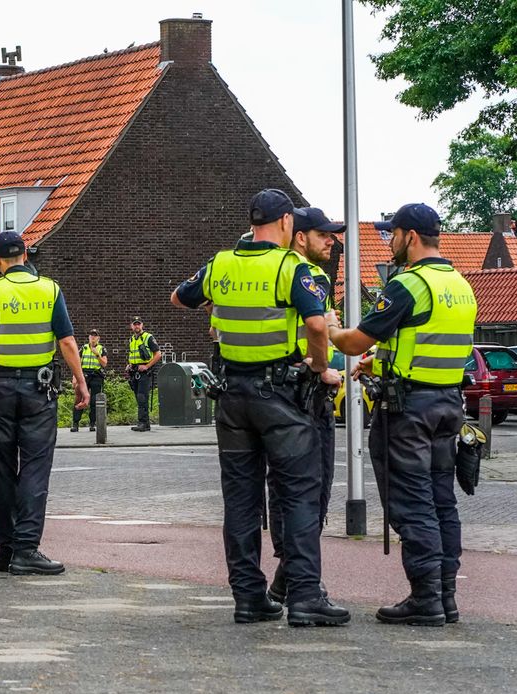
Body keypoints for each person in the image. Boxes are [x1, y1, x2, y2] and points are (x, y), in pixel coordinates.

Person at [171, 188, 349, 627]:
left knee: (241, 500)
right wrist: (321, 366)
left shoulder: (220, 264)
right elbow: (314, 324)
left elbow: (179, 298)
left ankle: (249, 597)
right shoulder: (293, 268)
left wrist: (221, 304)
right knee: (300, 496)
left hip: (232, 399)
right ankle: (305, 598)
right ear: (288, 222)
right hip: (283, 398)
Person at [328, 202, 477, 626]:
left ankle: (425, 599)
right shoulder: (459, 284)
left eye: (392, 234)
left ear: (410, 236)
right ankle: (446, 598)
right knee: (441, 501)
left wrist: (330, 326)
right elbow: (428, 340)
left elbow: (355, 341)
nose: (389, 241)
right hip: (448, 405)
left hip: (409, 411)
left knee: (414, 506)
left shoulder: (407, 285)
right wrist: (383, 360)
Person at [0, 230, 89, 576]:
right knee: (35, 468)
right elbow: (67, 342)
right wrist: (80, 380)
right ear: (26, 255)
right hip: (39, 391)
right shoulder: (50, 289)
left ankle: (6, 548)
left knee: (0, 469)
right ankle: (27, 549)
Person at [265, 206, 345, 604]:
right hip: (305, 392)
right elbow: (316, 328)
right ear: (300, 236)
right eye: (323, 234)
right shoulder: (305, 274)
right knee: (311, 487)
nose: (331, 241)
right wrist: (321, 365)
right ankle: (298, 577)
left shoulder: (269, 270)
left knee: (284, 486)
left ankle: (286, 576)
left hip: (273, 389)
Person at [126, 317, 161, 432]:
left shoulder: (148, 337)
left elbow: (158, 354)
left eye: (138, 324)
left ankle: (142, 423)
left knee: (142, 397)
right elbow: (133, 355)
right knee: (139, 398)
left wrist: (147, 366)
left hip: (144, 372)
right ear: (131, 326)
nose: (137, 326)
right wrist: (130, 364)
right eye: (134, 324)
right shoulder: (131, 339)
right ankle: (145, 423)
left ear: (142, 325)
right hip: (134, 372)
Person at [72, 329, 107, 431]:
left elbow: (104, 363)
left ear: (98, 338)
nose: (93, 337)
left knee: (94, 401)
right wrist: (74, 377)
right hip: (84, 375)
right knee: (79, 398)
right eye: (91, 335)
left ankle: (92, 423)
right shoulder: (84, 348)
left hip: (96, 376)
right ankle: (75, 423)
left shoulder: (101, 349)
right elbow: (76, 363)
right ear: (89, 337)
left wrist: (97, 354)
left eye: (95, 336)